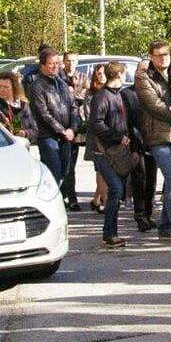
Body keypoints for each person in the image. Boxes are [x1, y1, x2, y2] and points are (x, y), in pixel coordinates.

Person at [135, 40, 171, 244]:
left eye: (166, 54)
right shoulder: (144, 77)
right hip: (158, 136)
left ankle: (165, 226)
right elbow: (154, 106)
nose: (163, 58)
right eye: (159, 55)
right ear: (151, 57)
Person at [88, 62, 133, 248]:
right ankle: (109, 234)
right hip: (103, 151)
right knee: (116, 189)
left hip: (117, 151)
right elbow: (96, 123)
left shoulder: (118, 95)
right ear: (120, 74)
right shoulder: (102, 96)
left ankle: (111, 233)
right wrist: (117, 137)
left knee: (116, 191)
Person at [28, 48, 79, 188]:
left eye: (57, 63)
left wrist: (72, 129)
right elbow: (43, 114)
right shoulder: (37, 86)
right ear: (42, 65)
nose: (55, 66)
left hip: (66, 136)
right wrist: (62, 131)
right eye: (51, 63)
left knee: (65, 172)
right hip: (48, 136)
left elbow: (73, 107)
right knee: (53, 173)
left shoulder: (62, 83)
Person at [119, 65, 152, 233]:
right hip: (136, 142)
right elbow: (126, 123)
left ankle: (148, 213)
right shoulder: (127, 94)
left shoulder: (154, 91)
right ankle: (140, 215)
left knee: (151, 179)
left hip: (153, 141)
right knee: (140, 178)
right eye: (141, 70)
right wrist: (133, 146)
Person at [61, 52, 89, 212]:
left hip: (77, 125)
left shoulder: (83, 77)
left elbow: (85, 96)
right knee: (63, 165)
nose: (70, 63)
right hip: (62, 124)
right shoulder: (59, 77)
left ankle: (71, 197)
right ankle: (65, 196)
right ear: (63, 61)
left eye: (73, 61)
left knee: (71, 164)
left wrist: (72, 94)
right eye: (68, 60)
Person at [84, 65, 109, 215]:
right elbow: (89, 117)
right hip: (96, 137)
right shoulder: (91, 94)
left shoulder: (111, 91)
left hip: (109, 136)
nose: (101, 76)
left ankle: (96, 199)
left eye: (104, 73)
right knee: (100, 169)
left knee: (105, 169)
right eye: (98, 73)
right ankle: (104, 201)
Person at [0, 72, 37, 140]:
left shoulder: (24, 105)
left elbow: (35, 131)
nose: (2, 90)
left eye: (6, 87)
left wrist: (25, 133)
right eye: (0, 86)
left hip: (25, 143)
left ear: (14, 88)